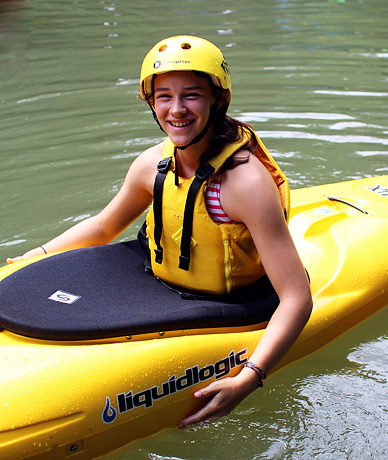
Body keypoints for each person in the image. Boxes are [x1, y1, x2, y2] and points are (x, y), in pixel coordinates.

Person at [7, 36, 312, 428]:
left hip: (232, 302)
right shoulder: (154, 162)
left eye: (192, 95)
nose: (177, 109)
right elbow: (104, 225)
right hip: (160, 278)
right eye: (164, 96)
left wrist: (249, 378)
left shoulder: (245, 184)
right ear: (150, 102)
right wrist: (35, 257)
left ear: (218, 100)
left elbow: (296, 296)